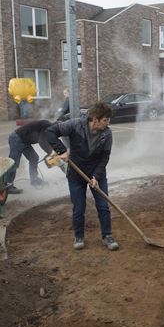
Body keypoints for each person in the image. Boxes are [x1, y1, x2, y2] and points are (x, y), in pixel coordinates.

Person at [46, 102, 118, 251]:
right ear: (95, 119)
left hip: (97, 174)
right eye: (105, 120)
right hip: (76, 174)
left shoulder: (107, 134)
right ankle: (79, 236)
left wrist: (96, 176)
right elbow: (50, 132)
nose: (108, 123)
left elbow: (105, 157)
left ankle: (107, 236)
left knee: (103, 206)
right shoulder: (75, 125)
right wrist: (61, 151)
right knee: (79, 207)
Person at [6, 119, 52, 193]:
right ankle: (8, 186)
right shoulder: (47, 126)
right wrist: (50, 152)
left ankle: (34, 180)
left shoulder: (49, 128)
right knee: (14, 163)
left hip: (24, 141)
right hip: (16, 138)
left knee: (34, 157)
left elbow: (47, 141)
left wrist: (52, 151)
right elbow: (42, 141)